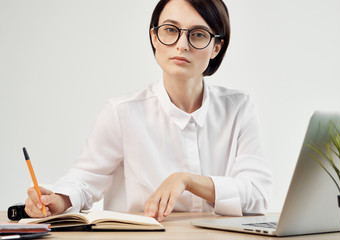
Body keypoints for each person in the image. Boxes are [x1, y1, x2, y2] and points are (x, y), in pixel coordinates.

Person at [25, 0, 273, 222]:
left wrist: (186, 180)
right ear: (154, 37)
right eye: (170, 30)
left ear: (216, 47)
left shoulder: (239, 108)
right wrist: (57, 200)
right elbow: (85, 179)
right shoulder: (121, 112)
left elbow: (257, 195)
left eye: (198, 34)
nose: (181, 45)